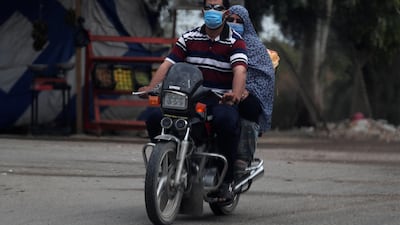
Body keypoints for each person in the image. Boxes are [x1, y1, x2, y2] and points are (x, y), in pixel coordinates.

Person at [138, 0, 248, 203]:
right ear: (203, 10)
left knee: (227, 121)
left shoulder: (236, 42)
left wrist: (235, 93)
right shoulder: (188, 38)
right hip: (187, 98)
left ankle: (227, 181)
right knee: (153, 117)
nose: (212, 12)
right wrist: (152, 87)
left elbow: (240, 70)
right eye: (209, 7)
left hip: (219, 100)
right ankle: (163, 165)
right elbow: (168, 64)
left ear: (226, 13)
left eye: (218, 8)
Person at [227, 5, 277, 179]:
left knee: (249, 108)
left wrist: (246, 89)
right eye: (230, 20)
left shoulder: (255, 46)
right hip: (218, 89)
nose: (233, 24)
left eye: (238, 21)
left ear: (246, 24)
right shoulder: (219, 40)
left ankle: (242, 158)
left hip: (248, 93)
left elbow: (265, 76)